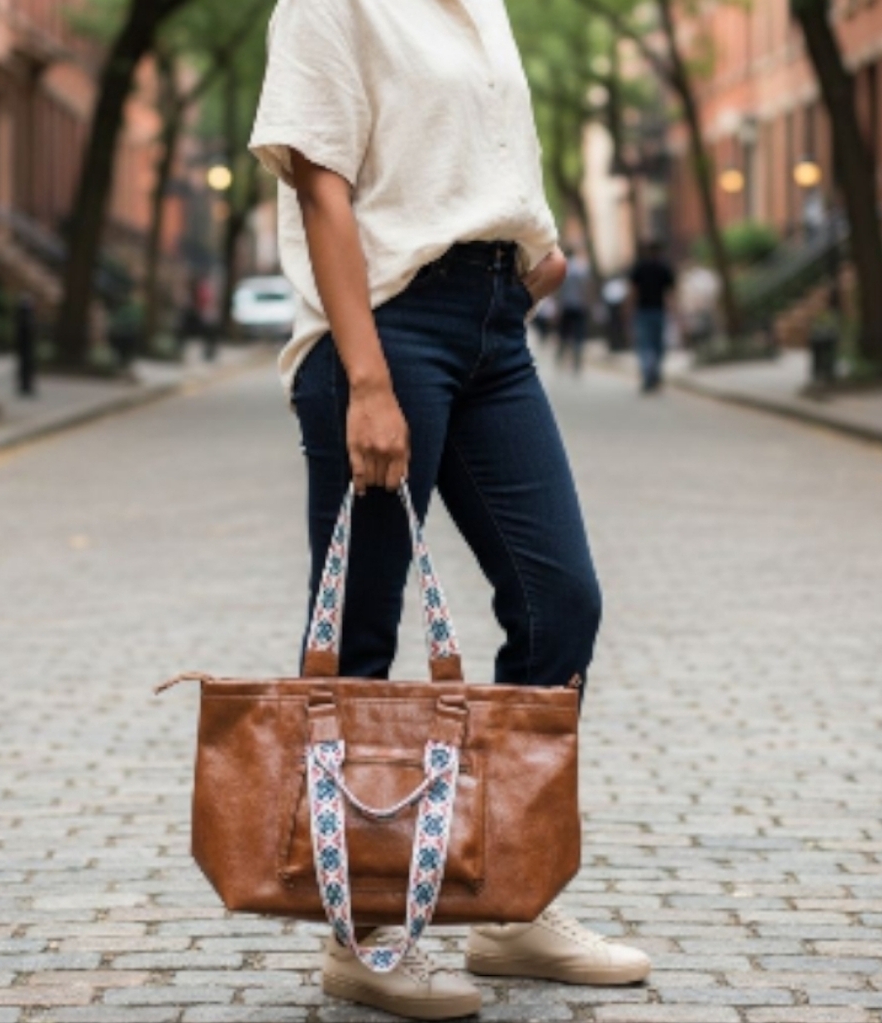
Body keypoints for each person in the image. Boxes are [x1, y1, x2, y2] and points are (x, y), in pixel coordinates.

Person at [248, 0, 651, 1017]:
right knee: (363, 627)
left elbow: (491, 157)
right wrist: (366, 379)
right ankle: (363, 928)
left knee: (560, 599)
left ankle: (513, 908)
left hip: (494, 332)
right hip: (385, 326)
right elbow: (320, 188)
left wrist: (527, 254)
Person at [629, 241, 676, 392]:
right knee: (658, 345)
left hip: (643, 311)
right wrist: (674, 310)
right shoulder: (664, 268)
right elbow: (670, 293)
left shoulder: (639, 267)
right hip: (658, 310)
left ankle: (648, 374)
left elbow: (633, 291)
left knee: (645, 345)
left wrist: (629, 309)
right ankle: (654, 373)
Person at [557, 246, 591, 373]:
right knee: (579, 334)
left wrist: (557, 307)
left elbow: (558, 291)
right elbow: (586, 288)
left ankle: (561, 358)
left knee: (564, 334)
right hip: (579, 306)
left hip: (566, 306)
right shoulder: (581, 269)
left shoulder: (562, 270)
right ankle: (577, 361)